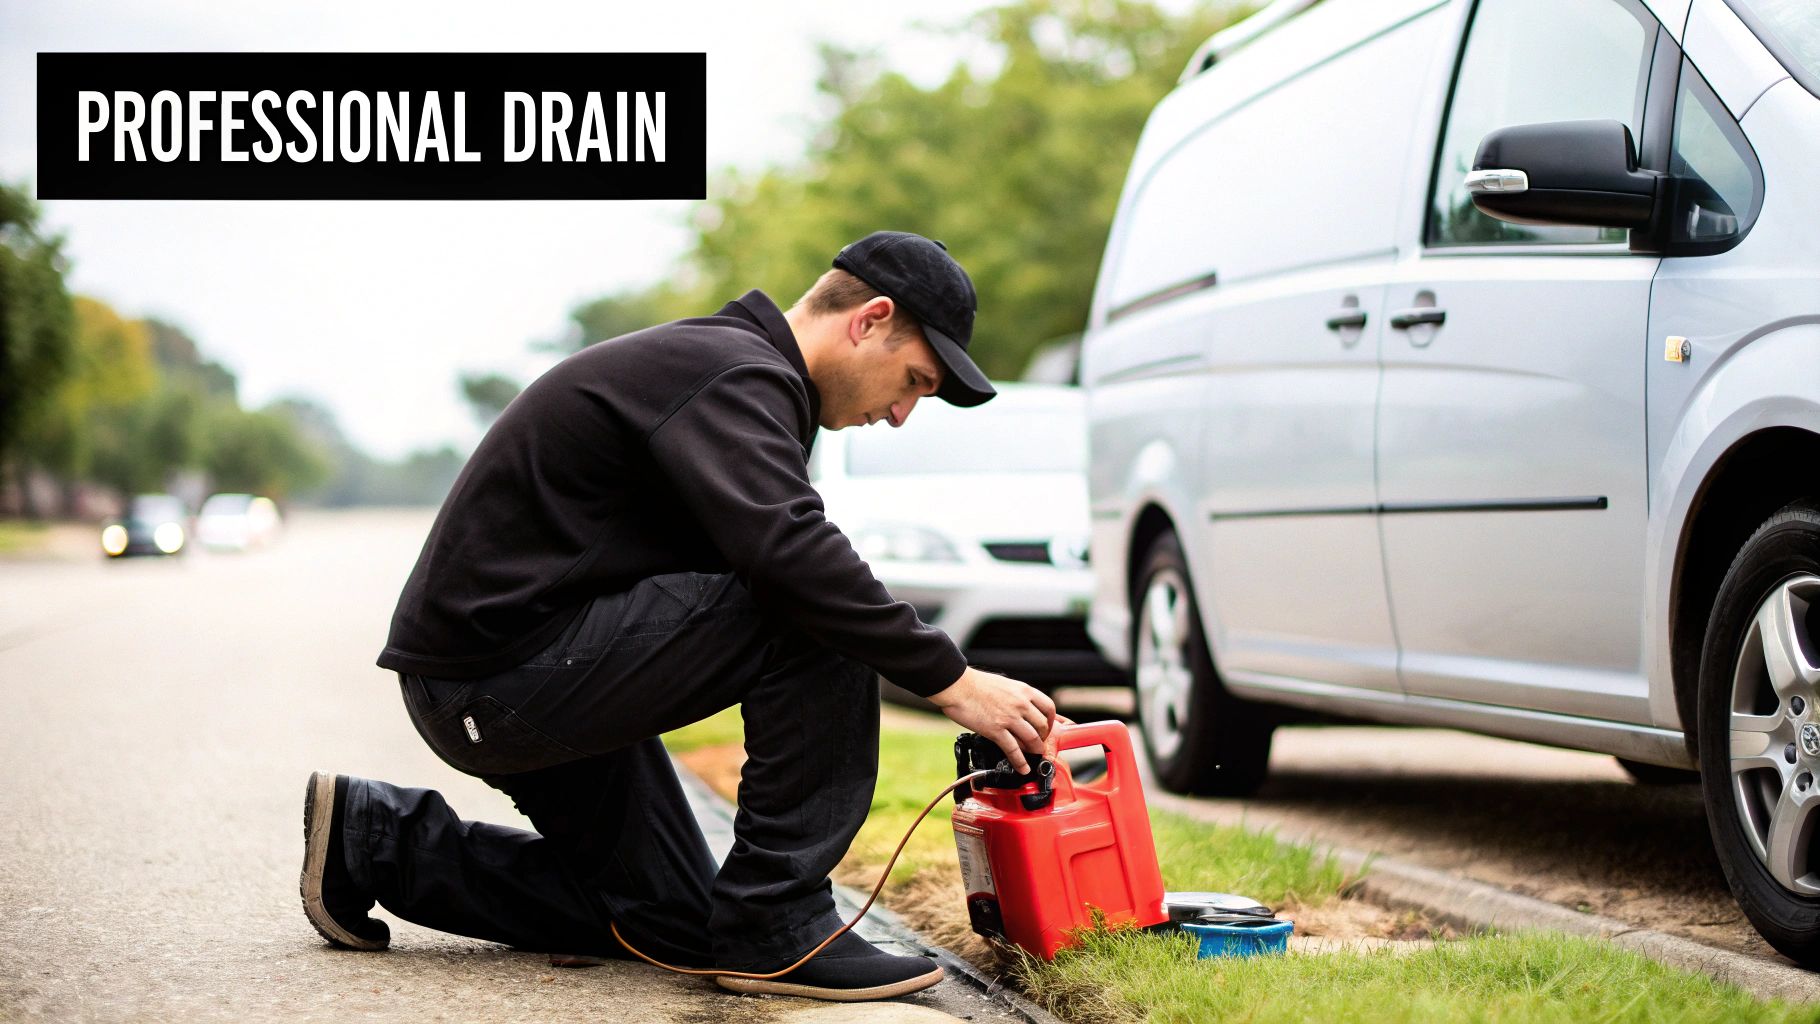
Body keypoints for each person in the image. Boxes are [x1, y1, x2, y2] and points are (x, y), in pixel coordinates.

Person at [298, 231, 1058, 1003]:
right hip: (501, 676)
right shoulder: (733, 373)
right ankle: (783, 925)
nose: (901, 414)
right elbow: (791, 557)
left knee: (678, 921)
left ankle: (380, 843)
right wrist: (952, 681)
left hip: (518, 670)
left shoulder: (736, 374)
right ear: (869, 319)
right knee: (814, 605)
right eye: (914, 381)